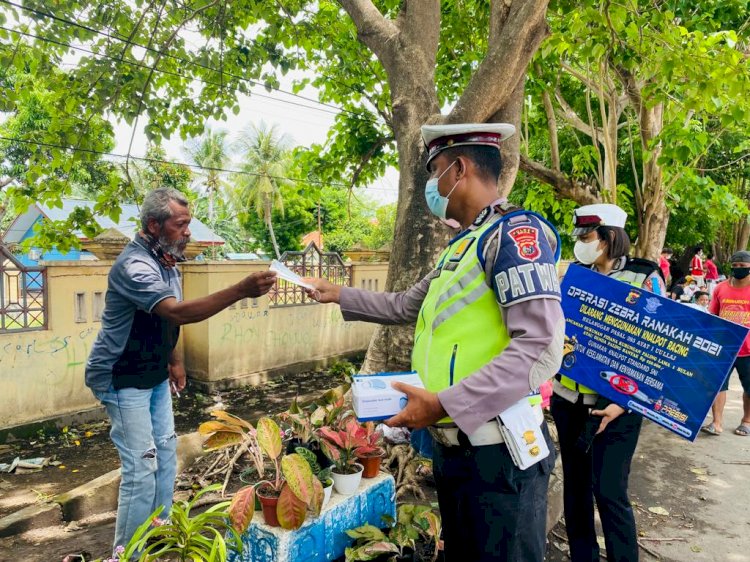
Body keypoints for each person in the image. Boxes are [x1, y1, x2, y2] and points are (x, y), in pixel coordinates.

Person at [305, 123, 564, 562]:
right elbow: (407, 305)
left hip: (498, 455)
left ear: (459, 169)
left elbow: (539, 345)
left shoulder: (515, 236)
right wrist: (337, 293)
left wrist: (443, 403)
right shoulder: (461, 248)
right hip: (454, 451)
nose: (431, 185)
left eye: (434, 171)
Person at [85, 188, 277, 552]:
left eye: (189, 224)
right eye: (181, 224)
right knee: (141, 470)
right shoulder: (133, 265)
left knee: (166, 457)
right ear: (154, 225)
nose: (189, 232)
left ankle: (160, 536)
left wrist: (175, 361)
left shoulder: (167, 259)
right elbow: (175, 311)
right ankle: (127, 554)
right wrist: (240, 290)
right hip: (123, 379)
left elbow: (166, 323)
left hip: (154, 374)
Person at [551, 203, 666, 562]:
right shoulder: (572, 274)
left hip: (618, 408)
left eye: (587, 237)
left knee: (610, 490)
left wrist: (624, 402)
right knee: (576, 491)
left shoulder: (645, 278)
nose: (581, 244)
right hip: (568, 400)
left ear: (610, 238)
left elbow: (656, 349)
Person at [701, 250, 750, 437]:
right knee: (718, 385)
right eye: (735, 266)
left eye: (743, 266)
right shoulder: (720, 288)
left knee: (749, 388)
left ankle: (746, 421)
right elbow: (713, 315)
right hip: (724, 347)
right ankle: (717, 422)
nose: (738, 269)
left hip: (748, 349)